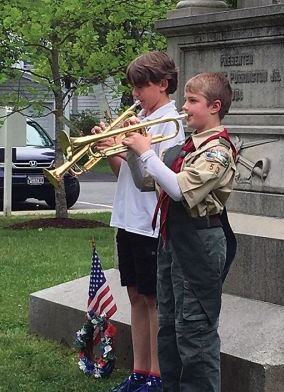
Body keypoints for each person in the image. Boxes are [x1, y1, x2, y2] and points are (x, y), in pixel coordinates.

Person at [122, 72, 237, 392]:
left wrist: (146, 151)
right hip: (173, 241)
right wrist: (133, 150)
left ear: (215, 107)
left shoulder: (218, 151)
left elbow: (178, 189)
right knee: (170, 331)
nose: (184, 107)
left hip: (200, 243)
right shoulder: (183, 149)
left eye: (192, 101)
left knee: (195, 333)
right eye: (185, 100)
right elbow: (147, 182)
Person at [92, 51, 185, 392]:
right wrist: (111, 150)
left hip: (150, 221)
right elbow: (126, 174)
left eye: (141, 86)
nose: (135, 94)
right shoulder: (139, 118)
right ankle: (139, 372)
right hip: (127, 219)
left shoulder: (169, 123)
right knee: (134, 296)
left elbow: (155, 178)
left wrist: (130, 148)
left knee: (153, 300)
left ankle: (157, 376)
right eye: (132, 86)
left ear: (162, 84)